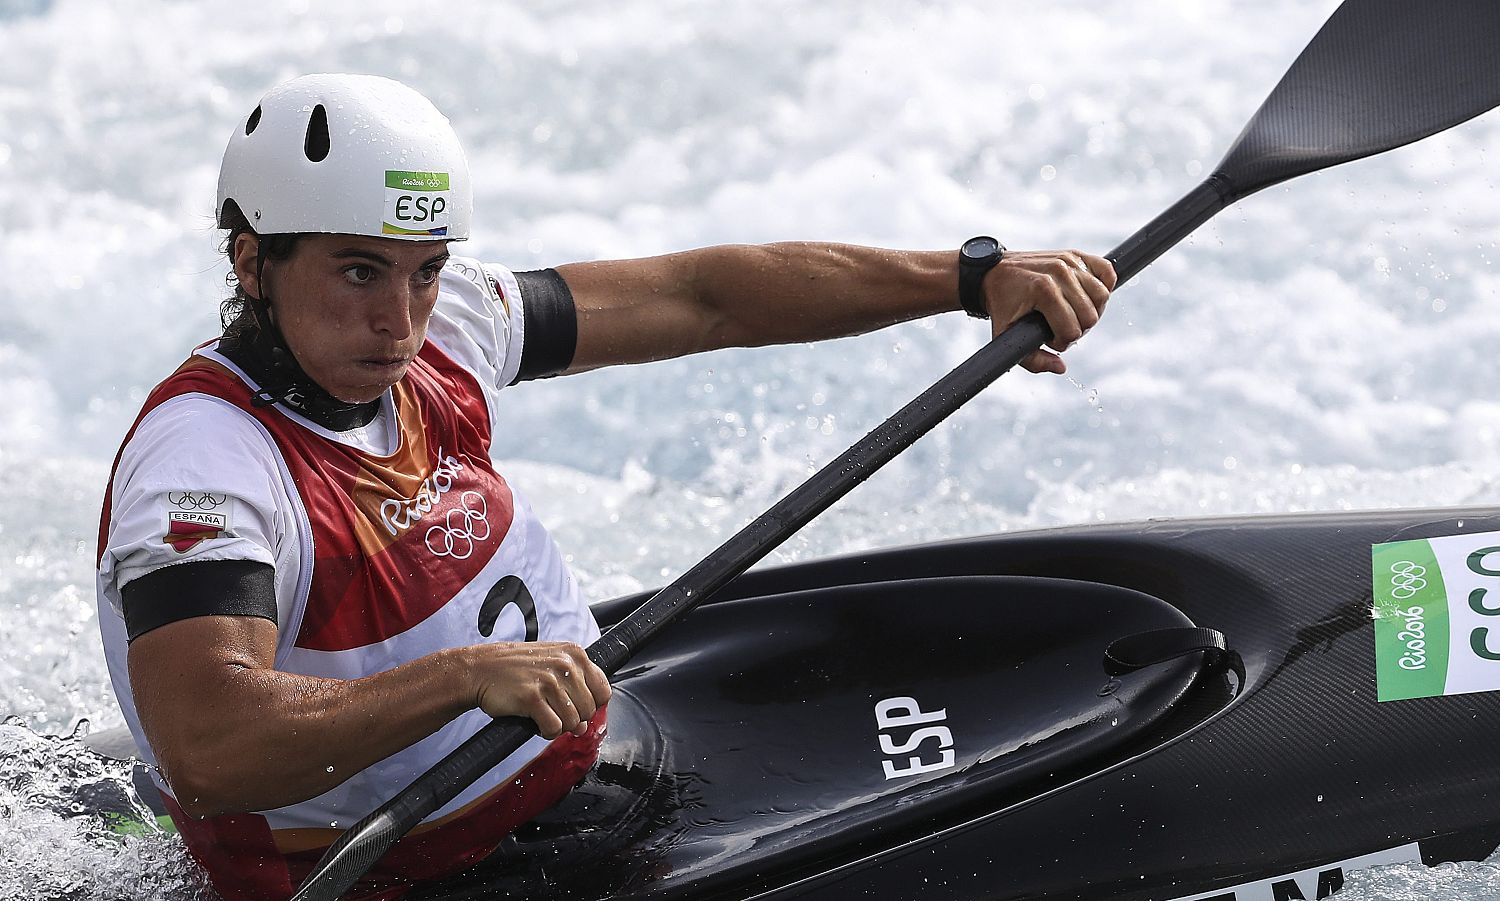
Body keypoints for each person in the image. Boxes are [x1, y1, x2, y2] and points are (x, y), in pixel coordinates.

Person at [94, 73, 1116, 900]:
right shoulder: (207, 469)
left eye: (424, 269)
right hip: (410, 870)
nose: (400, 321)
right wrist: (461, 678)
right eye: (358, 272)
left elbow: (699, 296)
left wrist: (969, 276)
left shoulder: (444, 329)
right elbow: (212, 748)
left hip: (595, 766)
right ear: (253, 259)